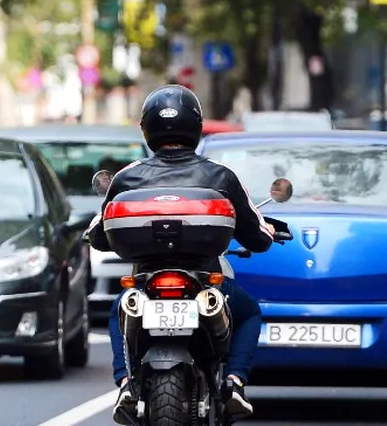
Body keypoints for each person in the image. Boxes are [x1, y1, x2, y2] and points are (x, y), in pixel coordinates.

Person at [86, 85, 274, 425]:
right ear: (196, 125)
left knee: (118, 311)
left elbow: (99, 237)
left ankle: (127, 384)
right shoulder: (220, 176)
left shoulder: (127, 177)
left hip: (144, 284)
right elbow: (257, 237)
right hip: (206, 280)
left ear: (147, 128)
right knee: (249, 313)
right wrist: (268, 232)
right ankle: (233, 383)